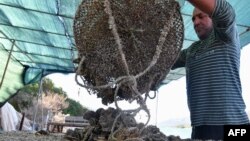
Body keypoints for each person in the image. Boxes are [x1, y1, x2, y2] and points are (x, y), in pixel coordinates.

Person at [172, 0, 250, 140]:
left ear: (213, 17)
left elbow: (226, 12)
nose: (195, 22)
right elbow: (164, 62)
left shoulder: (226, 37)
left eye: (201, 16)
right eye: (193, 19)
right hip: (200, 130)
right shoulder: (190, 51)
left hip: (234, 127)